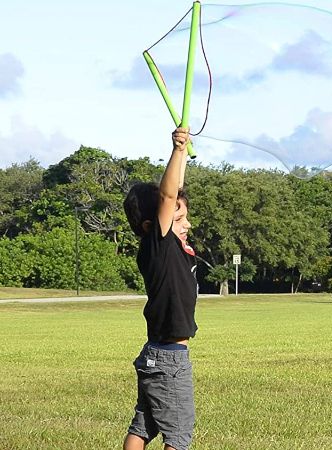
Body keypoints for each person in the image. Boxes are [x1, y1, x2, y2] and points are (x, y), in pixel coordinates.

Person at [122, 127, 197, 450]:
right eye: (178, 218)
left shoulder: (162, 248)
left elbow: (173, 193)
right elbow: (168, 197)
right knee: (178, 438)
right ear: (153, 225)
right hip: (169, 359)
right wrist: (177, 150)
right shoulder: (160, 244)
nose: (187, 224)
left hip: (155, 354)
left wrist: (182, 157)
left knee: (143, 426)